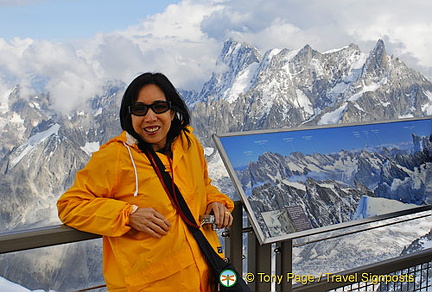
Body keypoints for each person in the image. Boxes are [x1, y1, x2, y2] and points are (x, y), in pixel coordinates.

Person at [57, 72, 234, 291]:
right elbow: (70, 206)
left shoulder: (188, 144)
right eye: (140, 109)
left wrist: (214, 201)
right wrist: (128, 215)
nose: (150, 117)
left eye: (159, 107)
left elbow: (203, 184)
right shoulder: (115, 157)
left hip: (204, 277)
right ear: (129, 116)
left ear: (172, 110)